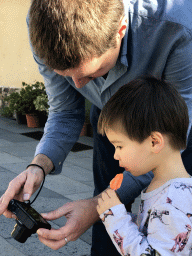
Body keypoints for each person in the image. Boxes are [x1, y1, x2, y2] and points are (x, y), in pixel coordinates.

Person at [0, 0, 192, 255]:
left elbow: (174, 134)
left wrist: (100, 208)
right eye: (65, 75)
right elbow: (66, 111)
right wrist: (39, 166)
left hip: (171, 132)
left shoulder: (178, 26)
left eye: (92, 74)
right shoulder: (44, 29)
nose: (78, 86)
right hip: (111, 119)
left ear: (120, 30)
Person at [97, 77, 192, 255]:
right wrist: (129, 220)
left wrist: (116, 220)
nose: (115, 155)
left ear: (154, 142)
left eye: (119, 146)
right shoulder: (165, 186)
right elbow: (156, 233)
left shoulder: (174, 201)